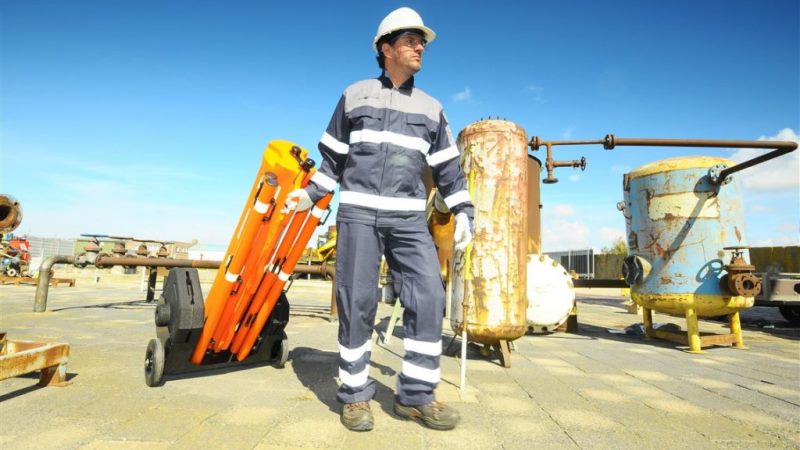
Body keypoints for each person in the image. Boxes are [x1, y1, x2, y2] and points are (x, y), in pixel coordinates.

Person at [284, 6, 474, 432]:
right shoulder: (354, 95)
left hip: (408, 220)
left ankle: (416, 397)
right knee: (358, 301)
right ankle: (354, 396)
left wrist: (463, 209)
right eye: (410, 40)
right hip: (358, 214)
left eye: (421, 41)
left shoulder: (432, 108)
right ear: (386, 48)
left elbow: (447, 168)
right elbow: (332, 159)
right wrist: (310, 193)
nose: (419, 46)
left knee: (429, 297)